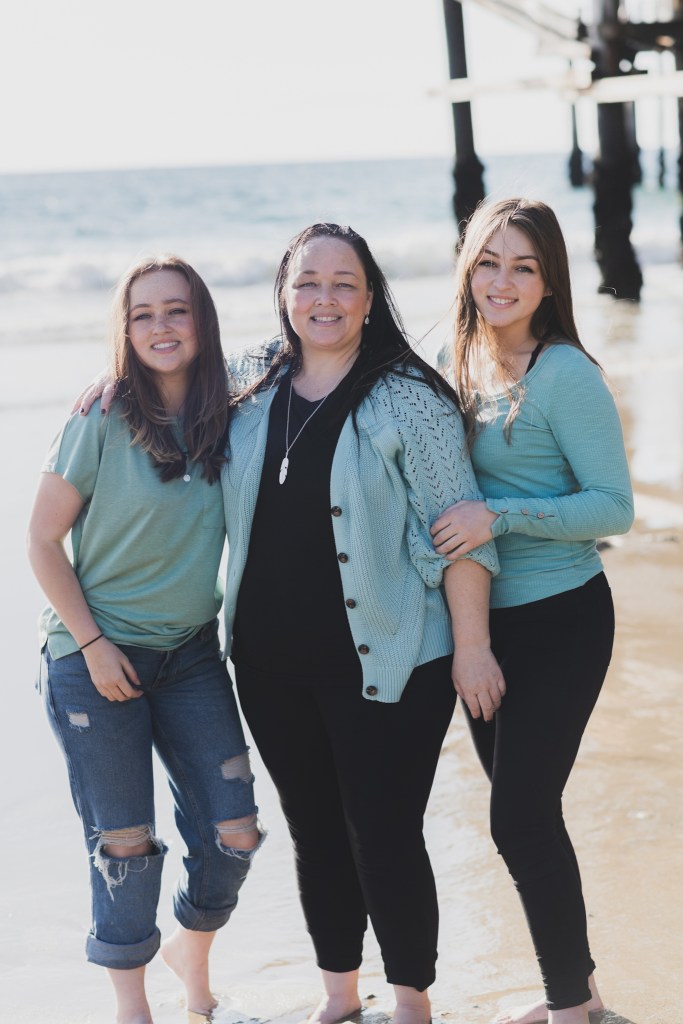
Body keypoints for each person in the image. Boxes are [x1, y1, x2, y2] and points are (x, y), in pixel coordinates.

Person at [221, 222, 505, 1024]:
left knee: (382, 830)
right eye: (307, 281)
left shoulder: (406, 400)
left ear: (370, 297)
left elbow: (461, 532)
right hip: (270, 665)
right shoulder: (248, 386)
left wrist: (472, 648)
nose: (324, 298)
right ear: (283, 292)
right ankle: (340, 996)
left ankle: (411, 999)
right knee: (314, 828)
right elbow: (163, 382)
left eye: (343, 283)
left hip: (393, 661)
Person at [27, 255, 263, 1024]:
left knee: (235, 832)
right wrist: (93, 644)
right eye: (142, 314)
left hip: (191, 654)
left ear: (202, 319)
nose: (160, 327)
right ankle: (134, 1010)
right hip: (92, 658)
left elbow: (298, 362)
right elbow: (39, 542)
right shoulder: (99, 415)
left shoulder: (233, 407)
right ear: (124, 330)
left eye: (176, 310)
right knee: (125, 844)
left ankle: (190, 946)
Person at [430, 198, 634, 1024]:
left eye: (521, 266)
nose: (501, 281)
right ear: (466, 268)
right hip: (483, 626)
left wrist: (500, 517)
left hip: (561, 618)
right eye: (487, 262)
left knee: (516, 817)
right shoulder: (454, 359)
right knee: (527, 815)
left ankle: (566, 1009)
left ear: (548, 280)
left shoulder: (565, 375)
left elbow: (612, 508)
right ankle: (578, 993)